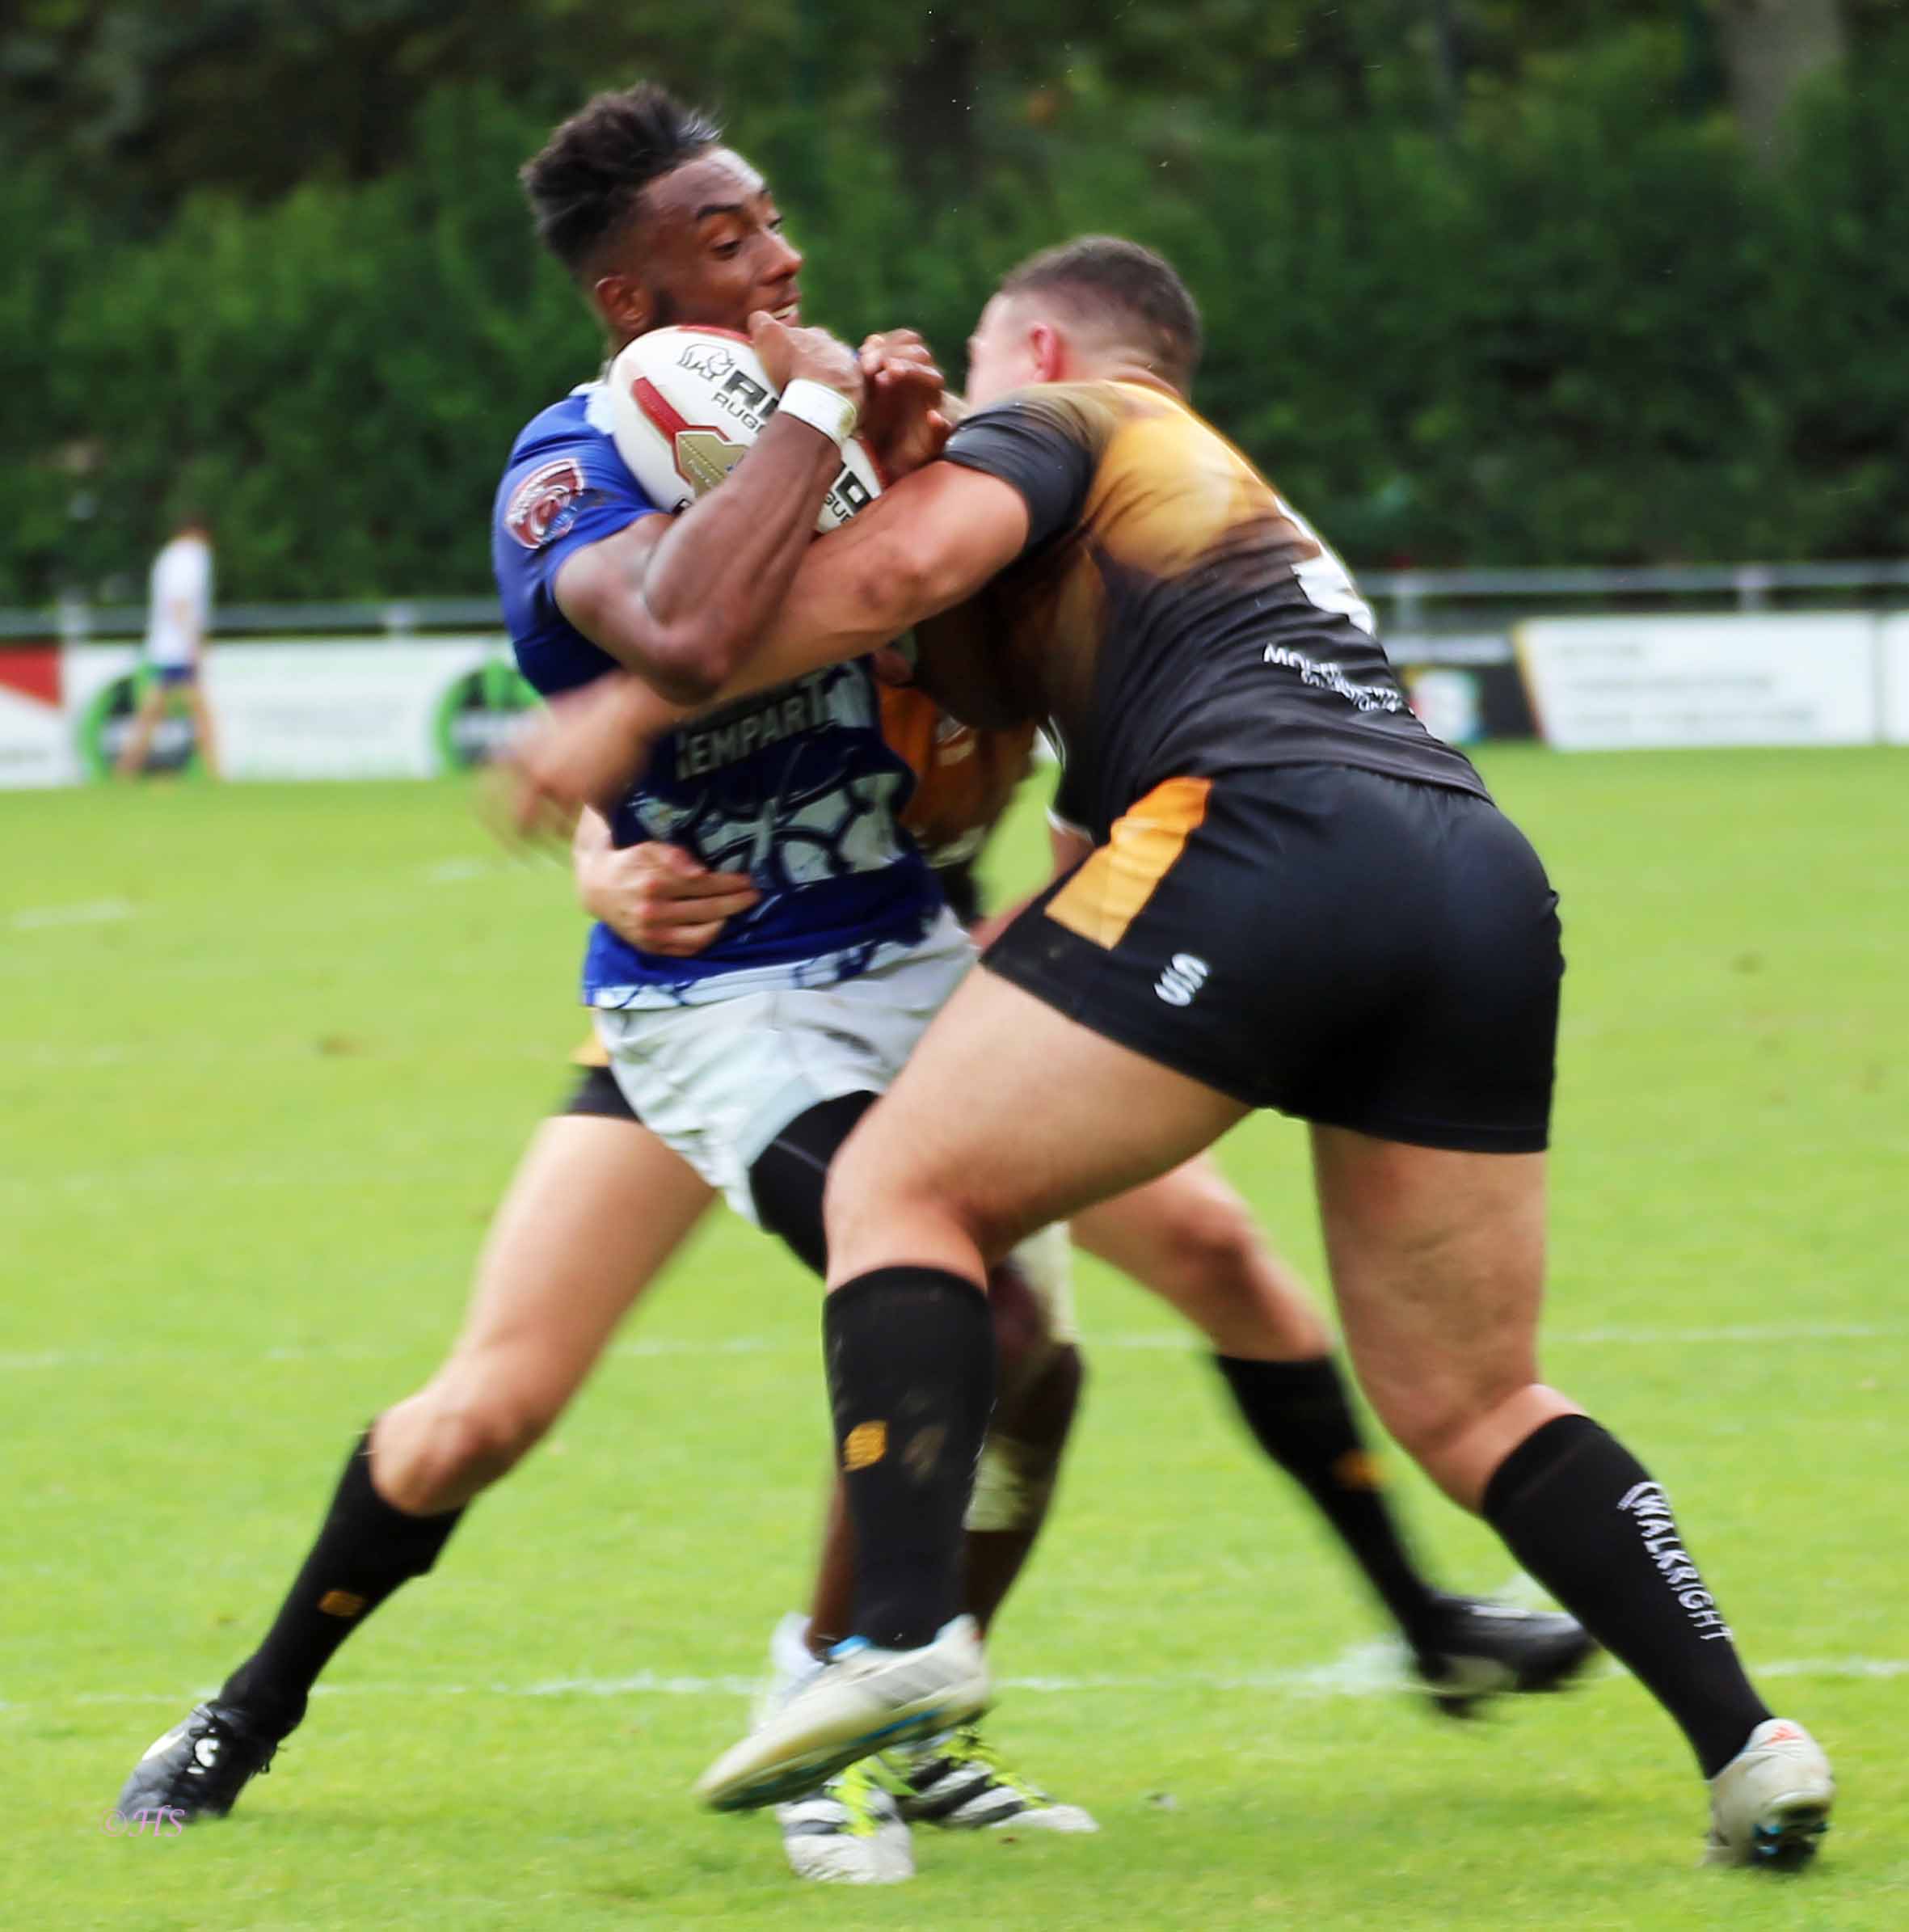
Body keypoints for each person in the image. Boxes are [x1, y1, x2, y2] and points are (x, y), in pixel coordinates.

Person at [528, 236, 1832, 1868]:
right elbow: (1080, 864)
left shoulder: (1068, 420)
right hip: (1473, 876)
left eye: (979, 367)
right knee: (1472, 1398)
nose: (958, 409)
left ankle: (899, 1640)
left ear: (1041, 352)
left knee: (897, 1191)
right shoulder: (1233, 521)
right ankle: (1748, 1741)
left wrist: (625, 709)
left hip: (1262, 836)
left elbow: (878, 582)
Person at [116, 514, 220, 778]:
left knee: (154, 711)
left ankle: (126, 769)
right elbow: (180, 603)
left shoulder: (167, 556)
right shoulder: (191, 557)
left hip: (165, 646)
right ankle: (216, 772)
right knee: (199, 709)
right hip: (178, 648)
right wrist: (193, 643)